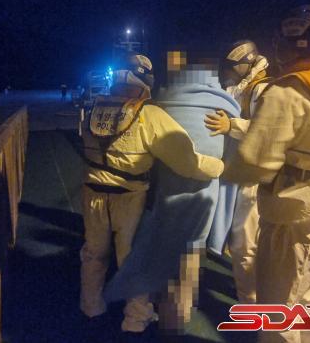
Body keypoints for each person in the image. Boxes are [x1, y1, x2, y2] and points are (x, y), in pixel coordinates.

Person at [224, 5, 310, 342]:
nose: (281, 40)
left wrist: (224, 173)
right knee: (309, 295)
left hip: (295, 217)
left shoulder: (284, 91)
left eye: (291, 32)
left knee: (277, 315)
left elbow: (255, 161)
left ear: (305, 42)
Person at [79, 53, 225, 335]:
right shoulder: (149, 114)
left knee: (93, 253)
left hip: (93, 192)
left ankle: (91, 306)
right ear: (146, 79)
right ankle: (135, 319)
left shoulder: (95, 107)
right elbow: (187, 162)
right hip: (129, 197)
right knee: (133, 260)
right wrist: (218, 166)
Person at [205, 39, 271, 304]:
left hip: (255, 178)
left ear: (245, 65)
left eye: (232, 68)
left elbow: (266, 130)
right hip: (248, 174)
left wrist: (231, 125)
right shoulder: (248, 88)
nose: (229, 73)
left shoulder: (263, 88)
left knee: (245, 244)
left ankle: (250, 303)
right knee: (247, 241)